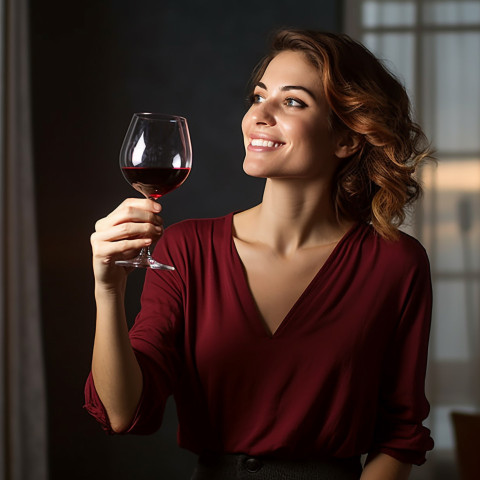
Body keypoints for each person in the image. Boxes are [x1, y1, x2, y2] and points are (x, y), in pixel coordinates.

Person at [85, 29, 435, 479]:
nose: (258, 116)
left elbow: (400, 436)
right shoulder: (187, 248)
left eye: (292, 102)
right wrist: (107, 288)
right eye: (258, 96)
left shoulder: (396, 263)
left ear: (347, 139)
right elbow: (122, 412)